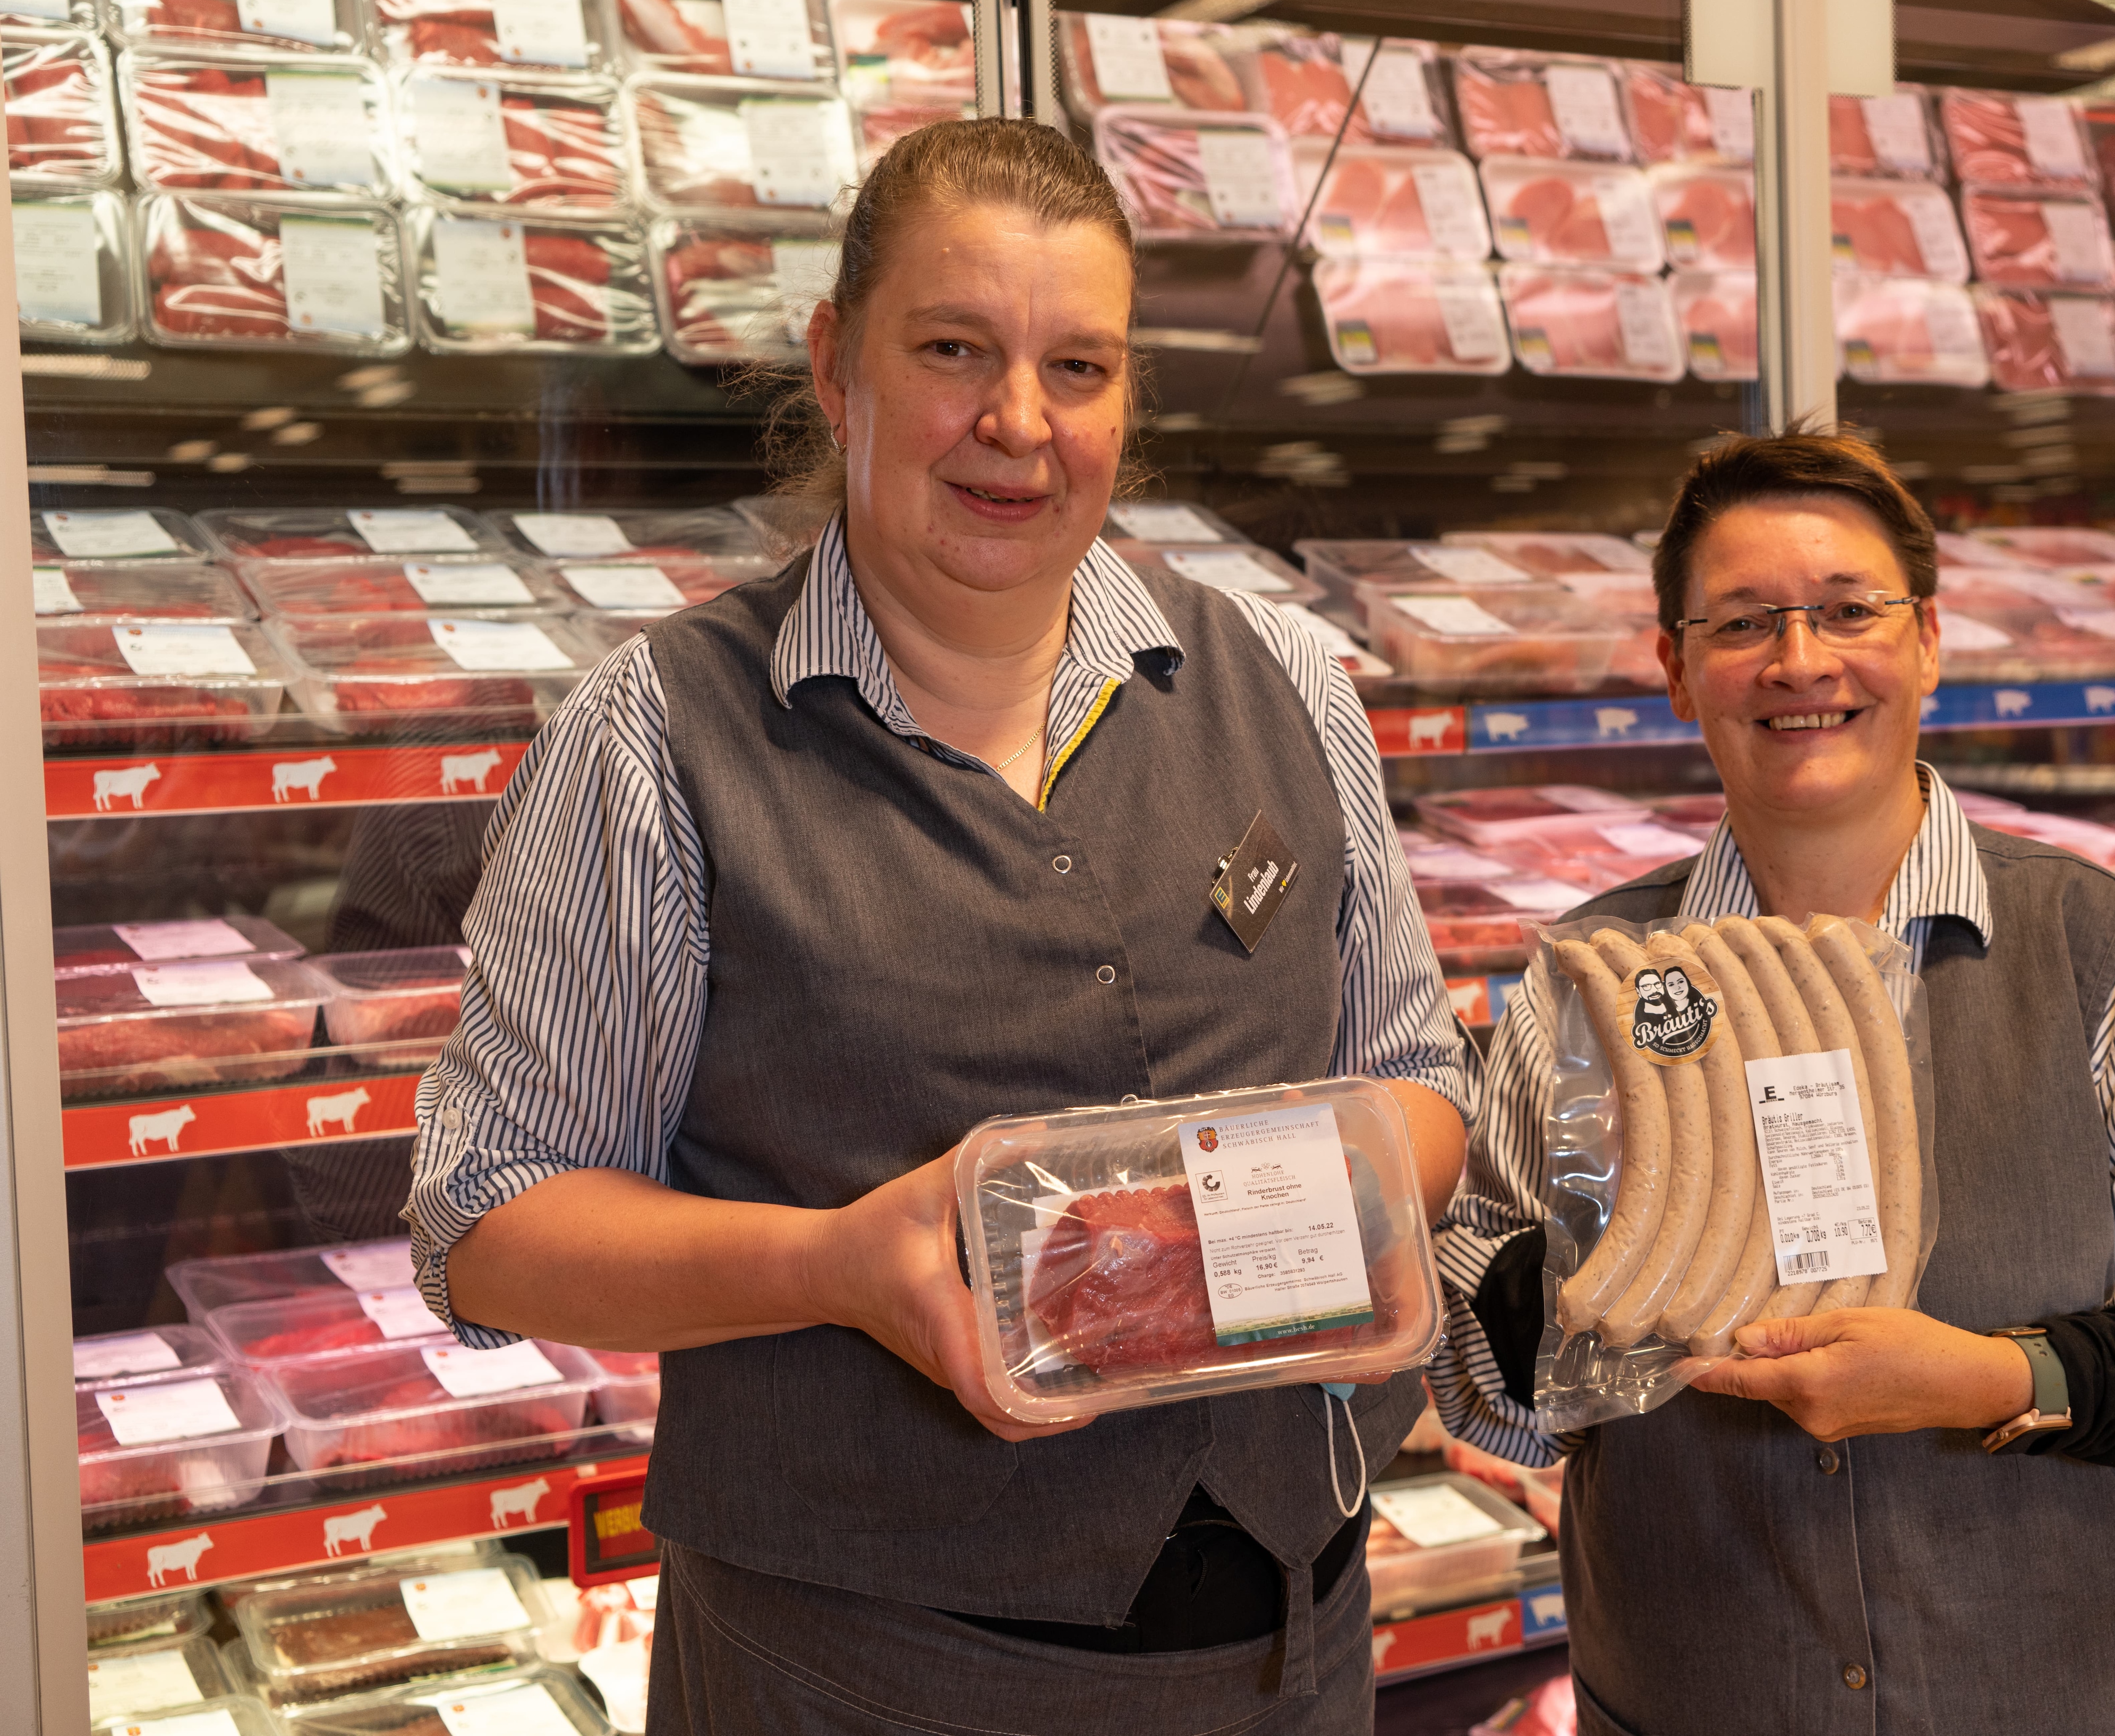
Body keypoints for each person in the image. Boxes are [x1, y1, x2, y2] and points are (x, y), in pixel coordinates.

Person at [405, 118, 1474, 1732]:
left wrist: (1266, 1215)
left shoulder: (1290, 687)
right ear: (841, 366)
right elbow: (487, 1222)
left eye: (1081, 368)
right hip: (854, 1671)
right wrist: (833, 1266)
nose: (1017, 423)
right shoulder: (659, 736)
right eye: (954, 349)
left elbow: (1416, 1080)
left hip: (1291, 1644)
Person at [1426, 429, 2115, 1736]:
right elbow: (1480, 1381)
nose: (1800, 660)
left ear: (1925, 640)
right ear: (1676, 671)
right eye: (1743, 622)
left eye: (1848, 611)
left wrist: (1989, 1378)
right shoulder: (1591, 988)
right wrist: (1599, 1275)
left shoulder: (2102, 956)